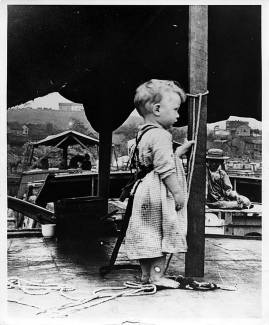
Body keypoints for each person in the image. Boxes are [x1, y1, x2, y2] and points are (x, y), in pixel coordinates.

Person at [124, 79, 194, 288]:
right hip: (158, 193)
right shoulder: (162, 135)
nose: (178, 115)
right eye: (175, 109)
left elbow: (155, 160)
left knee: (147, 234)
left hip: (143, 190)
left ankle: (147, 275)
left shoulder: (143, 133)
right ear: (157, 109)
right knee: (162, 233)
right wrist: (179, 193)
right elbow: (165, 169)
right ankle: (157, 276)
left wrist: (177, 152)